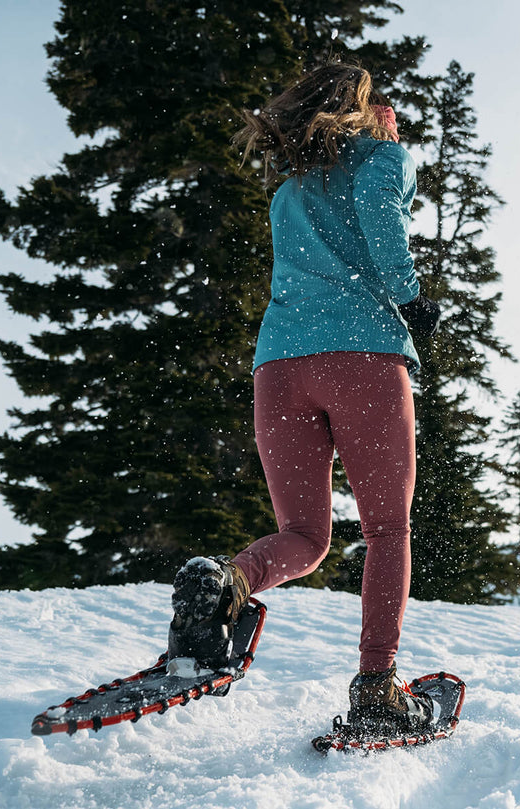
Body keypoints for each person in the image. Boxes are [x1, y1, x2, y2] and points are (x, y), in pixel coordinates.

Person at [165, 62, 441, 734]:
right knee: (386, 530)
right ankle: (376, 685)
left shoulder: (288, 192)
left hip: (280, 366)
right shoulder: (383, 159)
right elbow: (381, 224)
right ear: (364, 109)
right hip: (362, 359)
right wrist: (411, 301)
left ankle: (226, 585)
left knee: (304, 536)